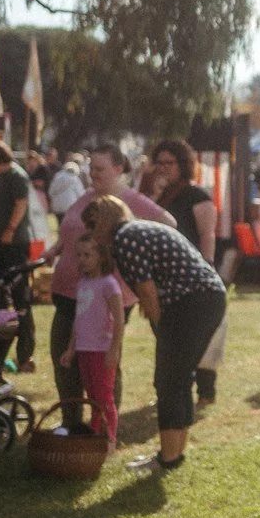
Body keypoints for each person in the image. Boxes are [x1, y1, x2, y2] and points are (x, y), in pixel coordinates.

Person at [46, 146, 173, 431]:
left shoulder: (129, 200)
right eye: (91, 169)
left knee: (100, 361)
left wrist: (136, 261)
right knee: (64, 357)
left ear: (118, 169)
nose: (93, 174)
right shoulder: (89, 196)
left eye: (99, 169)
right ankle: (71, 423)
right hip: (70, 292)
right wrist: (55, 249)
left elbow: (167, 224)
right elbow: (71, 231)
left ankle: (104, 426)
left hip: (106, 297)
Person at [110, 216, 229, 476]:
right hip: (207, 297)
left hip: (192, 303)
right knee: (177, 378)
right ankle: (173, 454)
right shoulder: (137, 231)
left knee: (170, 380)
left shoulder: (126, 239)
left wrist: (163, 333)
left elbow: (148, 293)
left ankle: (169, 457)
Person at [151, 138, 223, 406]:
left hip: (193, 274)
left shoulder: (197, 195)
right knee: (166, 334)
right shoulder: (155, 195)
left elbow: (207, 234)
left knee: (199, 336)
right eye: (159, 163)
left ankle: (205, 390)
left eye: (169, 163)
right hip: (162, 275)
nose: (163, 168)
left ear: (183, 164)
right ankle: (170, 385)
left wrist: (207, 266)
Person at [59, 232, 127, 447]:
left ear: (101, 256)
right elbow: (78, 320)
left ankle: (109, 440)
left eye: (87, 255)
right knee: (92, 397)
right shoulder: (83, 283)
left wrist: (113, 350)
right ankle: (94, 437)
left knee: (104, 397)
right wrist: (71, 349)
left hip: (101, 349)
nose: (82, 259)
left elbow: (119, 320)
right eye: (78, 255)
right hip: (83, 349)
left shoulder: (109, 284)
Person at [0, 143, 36, 373]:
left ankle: (25, 354)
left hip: (14, 245)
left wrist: (10, 229)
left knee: (20, 298)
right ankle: (0, 351)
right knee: (1, 297)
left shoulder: (16, 176)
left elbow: (20, 204)